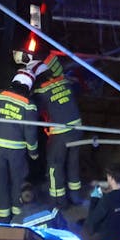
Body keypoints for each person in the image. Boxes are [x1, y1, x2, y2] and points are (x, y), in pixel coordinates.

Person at [0, 71, 37, 224]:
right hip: (16, 151)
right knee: (17, 180)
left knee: (0, 180)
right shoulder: (29, 105)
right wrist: (33, 151)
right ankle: (18, 213)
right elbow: (31, 131)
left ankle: (2, 215)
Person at [31, 61, 84, 206]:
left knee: (55, 165)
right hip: (77, 129)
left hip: (61, 134)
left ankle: (58, 201)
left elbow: (33, 111)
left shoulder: (41, 92)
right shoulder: (65, 81)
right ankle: (75, 196)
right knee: (73, 163)